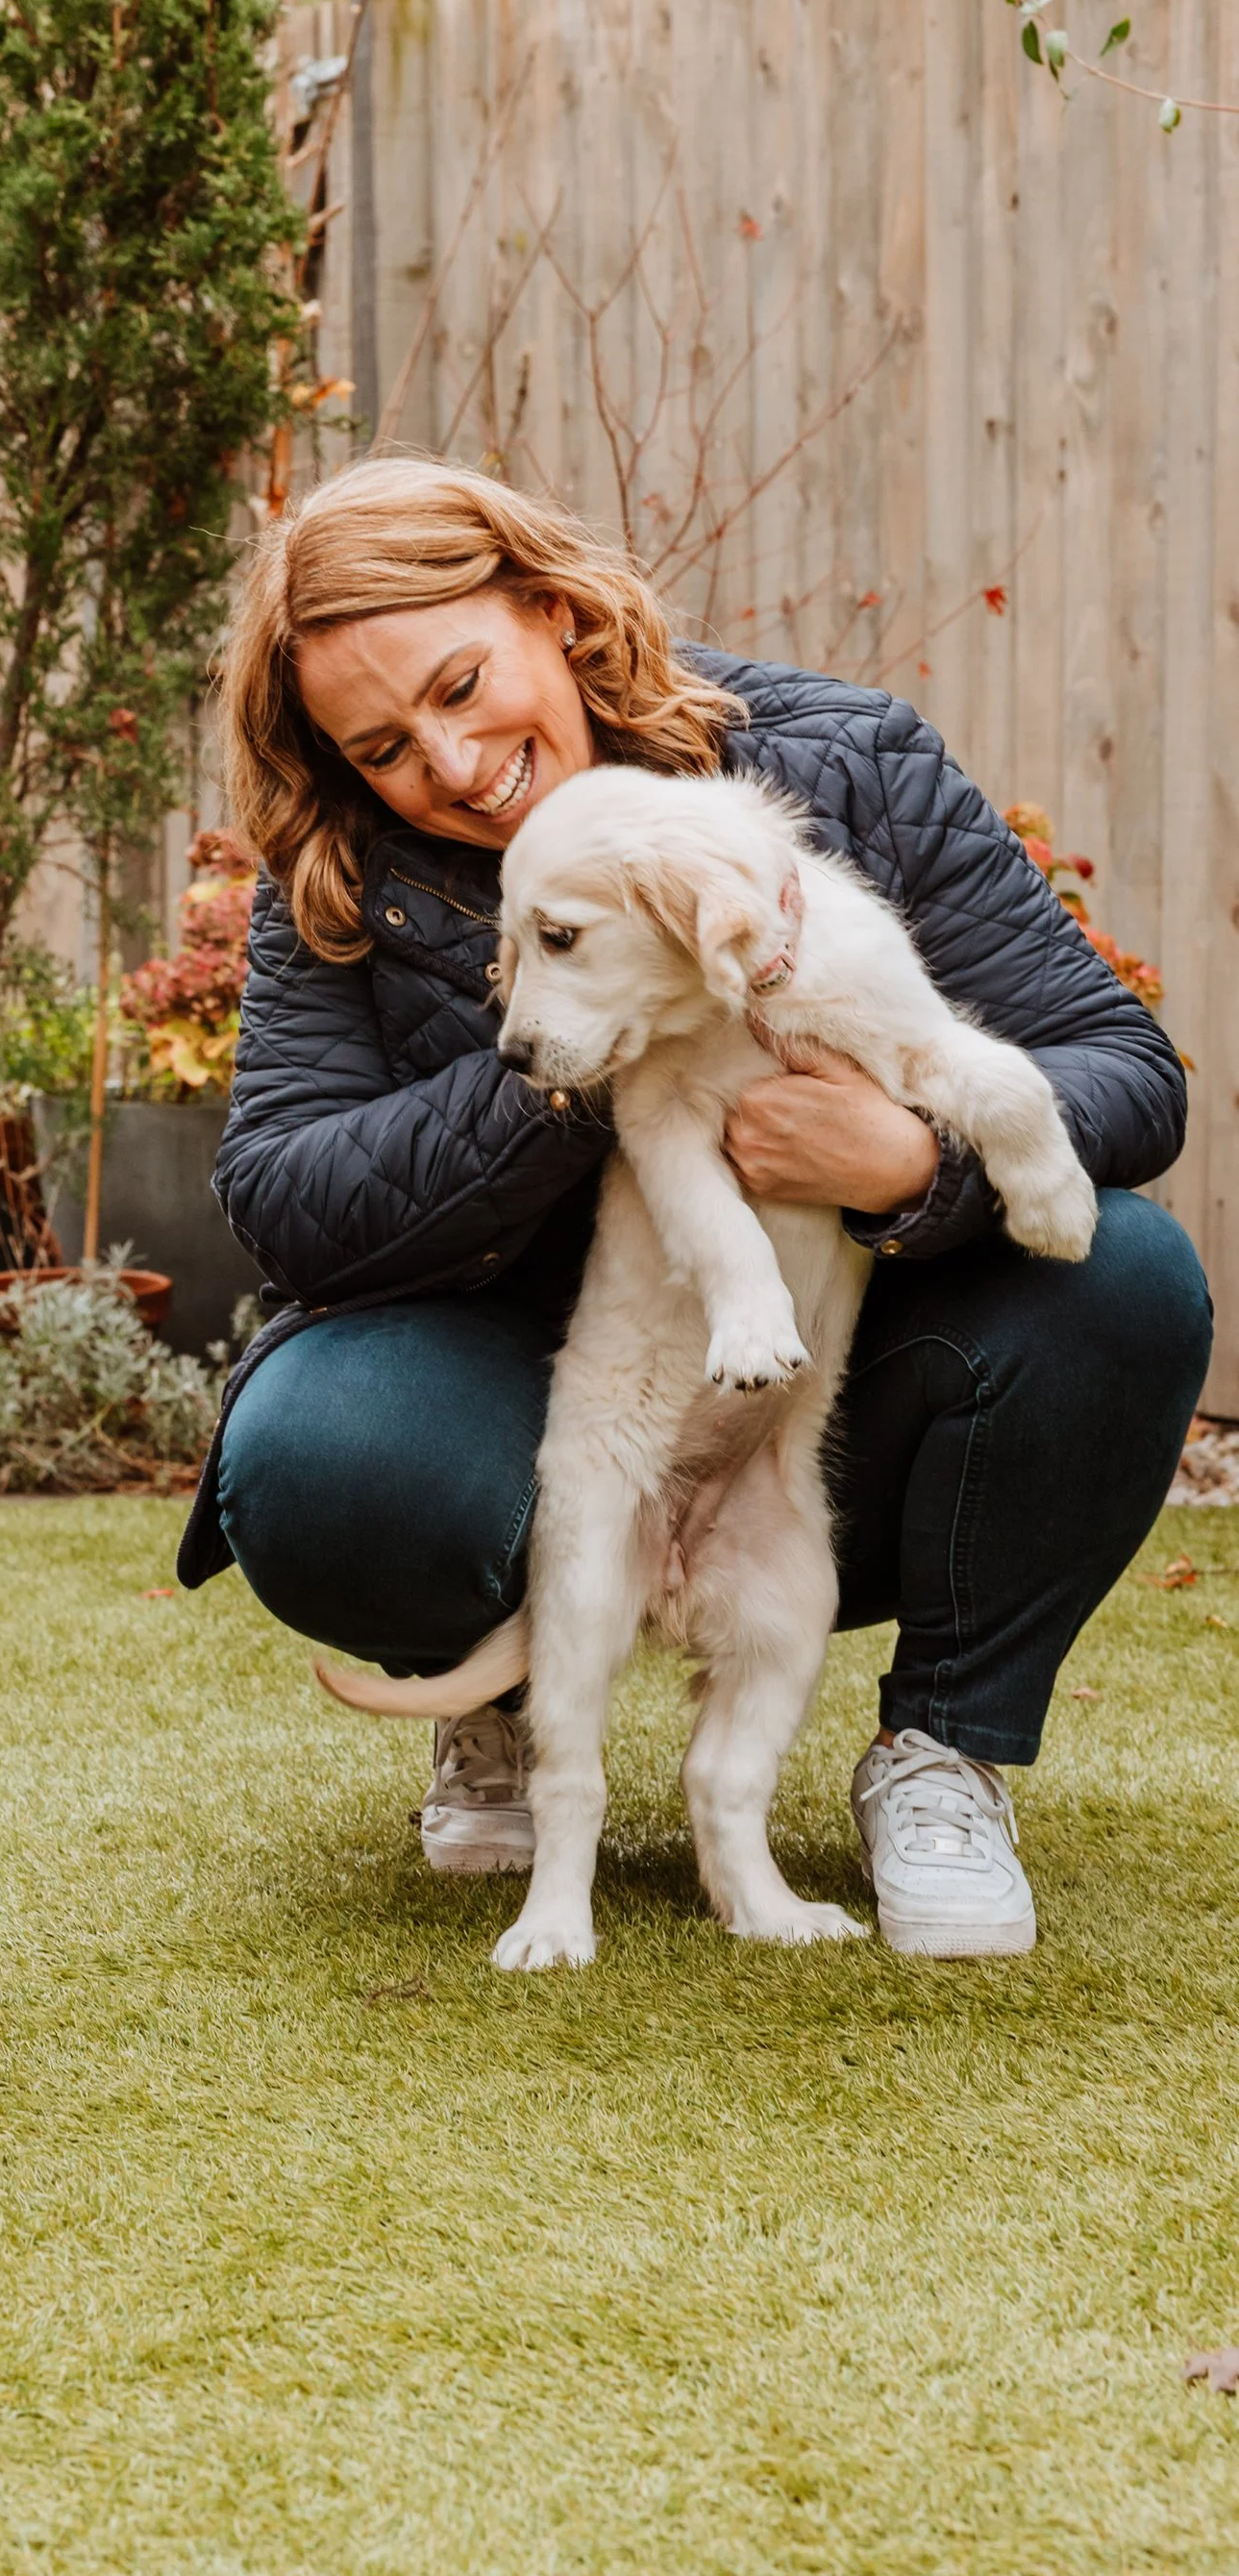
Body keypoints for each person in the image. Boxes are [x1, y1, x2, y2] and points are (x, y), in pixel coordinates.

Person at [183, 458, 1209, 1959]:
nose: (455, 766)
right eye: (388, 747)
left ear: (551, 609)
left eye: (466, 685)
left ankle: (944, 1753)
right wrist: (573, 1066)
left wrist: (909, 1170)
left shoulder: (843, 760)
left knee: (1126, 1275)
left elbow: (1120, 1067)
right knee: (320, 1455)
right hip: (530, 1388)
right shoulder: (338, 876)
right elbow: (282, 1197)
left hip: (829, 1380)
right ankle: (518, 1711)